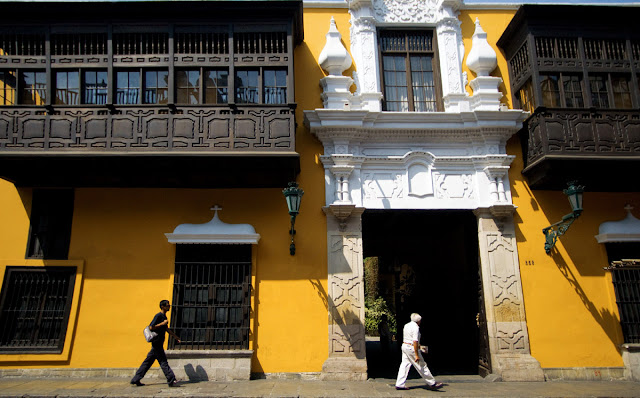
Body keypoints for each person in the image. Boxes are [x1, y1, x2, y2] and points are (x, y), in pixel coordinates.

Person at [130, 300, 181, 387]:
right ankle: (171, 379)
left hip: (158, 343)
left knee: (148, 362)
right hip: (157, 343)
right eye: (167, 305)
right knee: (163, 362)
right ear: (162, 306)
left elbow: (166, 329)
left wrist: (175, 337)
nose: (169, 306)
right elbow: (151, 327)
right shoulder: (158, 316)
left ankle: (136, 379)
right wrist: (162, 323)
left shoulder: (164, 316)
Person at [395, 313, 443, 391]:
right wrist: (416, 354)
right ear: (419, 320)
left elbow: (410, 338)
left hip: (405, 345)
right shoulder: (416, 327)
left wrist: (419, 346)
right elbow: (415, 341)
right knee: (421, 365)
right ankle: (432, 382)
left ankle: (400, 383)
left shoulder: (407, 325)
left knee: (405, 364)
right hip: (411, 348)